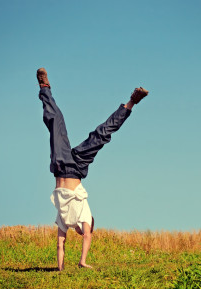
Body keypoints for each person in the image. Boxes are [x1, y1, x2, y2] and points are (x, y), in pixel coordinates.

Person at [37, 68, 149, 270]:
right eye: (87, 229)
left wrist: (60, 269)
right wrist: (82, 262)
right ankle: (132, 102)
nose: (84, 231)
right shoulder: (84, 216)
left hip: (62, 166)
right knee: (102, 134)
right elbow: (88, 234)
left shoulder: (63, 221)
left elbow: (60, 243)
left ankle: (44, 87)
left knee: (55, 121)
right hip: (77, 167)